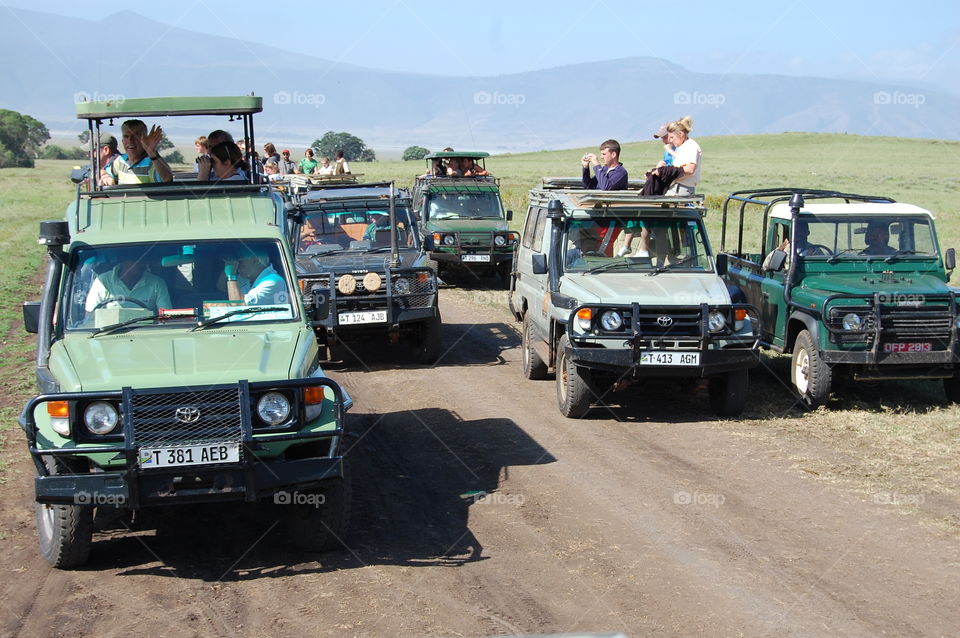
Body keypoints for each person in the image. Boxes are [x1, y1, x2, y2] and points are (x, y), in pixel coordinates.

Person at [84, 252, 171, 313]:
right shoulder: (103, 281)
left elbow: (165, 316)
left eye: (144, 260)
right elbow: (90, 314)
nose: (142, 264)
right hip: (109, 333)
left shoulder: (157, 283)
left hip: (147, 332)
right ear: (124, 261)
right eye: (136, 260)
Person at [104, 119, 173, 184]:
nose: (130, 140)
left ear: (145, 140)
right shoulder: (121, 161)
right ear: (122, 141)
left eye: (135, 136)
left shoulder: (152, 163)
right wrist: (105, 176)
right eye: (126, 136)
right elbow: (105, 172)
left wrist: (151, 152)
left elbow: (167, 179)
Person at [665, 116, 700, 196]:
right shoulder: (683, 147)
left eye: (672, 137)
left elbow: (690, 169)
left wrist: (666, 173)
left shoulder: (691, 146)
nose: (670, 140)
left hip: (681, 189)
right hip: (676, 187)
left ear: (680, 134)